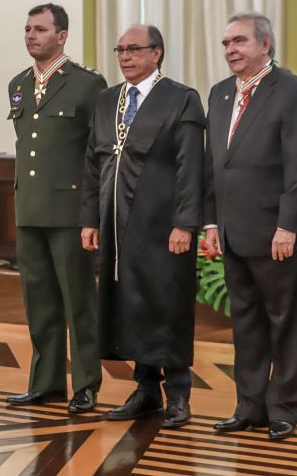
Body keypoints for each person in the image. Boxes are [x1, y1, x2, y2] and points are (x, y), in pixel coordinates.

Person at [81, 24, 205, 429]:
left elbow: (191, 168)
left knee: (165, 305)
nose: (125, 56)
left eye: (134, 49)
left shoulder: (181, 98)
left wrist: (185, 222)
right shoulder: (107, 100)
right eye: (120, 49)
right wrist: (89, 218)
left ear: (157, 53)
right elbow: (92, 164)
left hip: (163, 225)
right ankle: (146, 387)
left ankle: (179, 393)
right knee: (131, 303)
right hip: (116, 225)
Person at [203, 12, 297, 441]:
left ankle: (284, 408)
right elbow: (213, 165)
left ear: (265, 45)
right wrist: (211, 222)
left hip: (276, 234)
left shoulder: (291, 91)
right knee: (246, 323)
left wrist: (288, 225)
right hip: (232, 233)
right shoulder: (218, 95)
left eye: (240, 41)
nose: (231, 50)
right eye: (226, 43)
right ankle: (248, 405)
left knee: (284, 323)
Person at [4, 3, 105, 413]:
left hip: (69, 210)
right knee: (39, 301)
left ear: (62, 35)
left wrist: (89, 213)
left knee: (78, 301)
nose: (31, 35)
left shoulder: (87, 84)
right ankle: (45, 383)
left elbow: (96, 153)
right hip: (30, 209)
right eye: (27, 28)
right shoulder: (18, 83)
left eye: (40, 29)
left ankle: (85, 384)